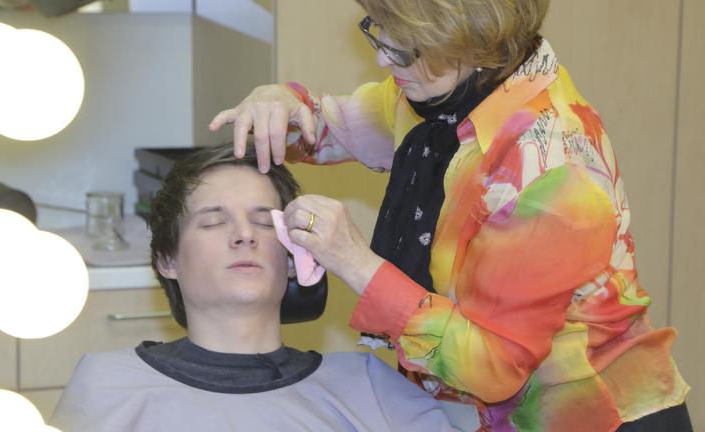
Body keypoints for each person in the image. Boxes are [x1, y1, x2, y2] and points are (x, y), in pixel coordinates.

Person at [208, 1, 692, 431]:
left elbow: (494, 368)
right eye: (379, 29)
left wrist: (356, 262)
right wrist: (281, 102)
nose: (382, 58)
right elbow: (327, 126)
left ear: (472, 40)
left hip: (593, 417)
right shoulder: (445, 96)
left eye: (405, 46)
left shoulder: (551, 170)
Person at [49, 143, 472, 432]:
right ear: (168, 260)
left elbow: (494, 371)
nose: (243, 236)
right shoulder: (108, 385)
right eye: (213, 221)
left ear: (294, 258)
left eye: (264, 221)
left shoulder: (371, 388)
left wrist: (362, 266)